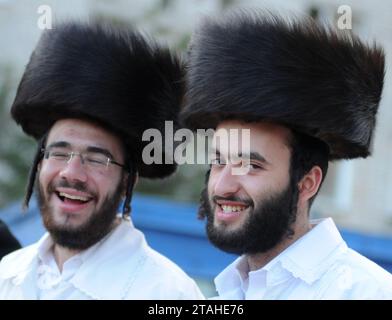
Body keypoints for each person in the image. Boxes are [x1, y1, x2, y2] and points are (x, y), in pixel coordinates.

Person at [180, 11, 392, 299]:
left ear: (307, 183)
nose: (222, 185)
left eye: (251, 165)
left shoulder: (367, 292)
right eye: (218, 162)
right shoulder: (225, 296)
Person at [0, 21, 204, 300]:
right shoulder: (7, 274)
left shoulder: (167, 293)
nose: (72, 173)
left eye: (97, 160)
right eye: (59, 153)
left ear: (127, 181)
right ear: (39, 164)